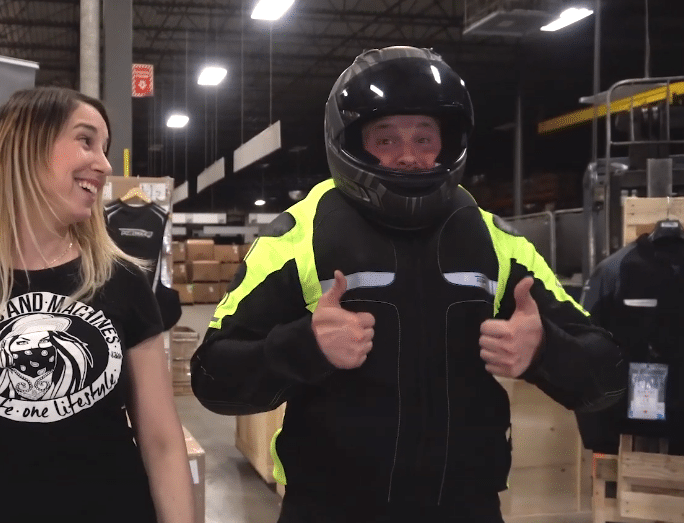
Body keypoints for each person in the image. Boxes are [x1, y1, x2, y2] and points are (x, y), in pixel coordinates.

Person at [190, 46, 627, 523]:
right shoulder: (297, 238)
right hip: (328, 509)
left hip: (466, 510)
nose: (408, 156)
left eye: (424, 138)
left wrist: (545, 350)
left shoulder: (496, 242)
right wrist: (304, 347)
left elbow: (607, 374)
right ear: (351, 143)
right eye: (385, 139)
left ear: (447, 143)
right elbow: (214, 378)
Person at [0, 86, 194, 523]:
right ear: (27, 148)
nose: (104, 165)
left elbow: (162, 441)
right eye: (86, 141)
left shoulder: (121, 280)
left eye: (104, 147)